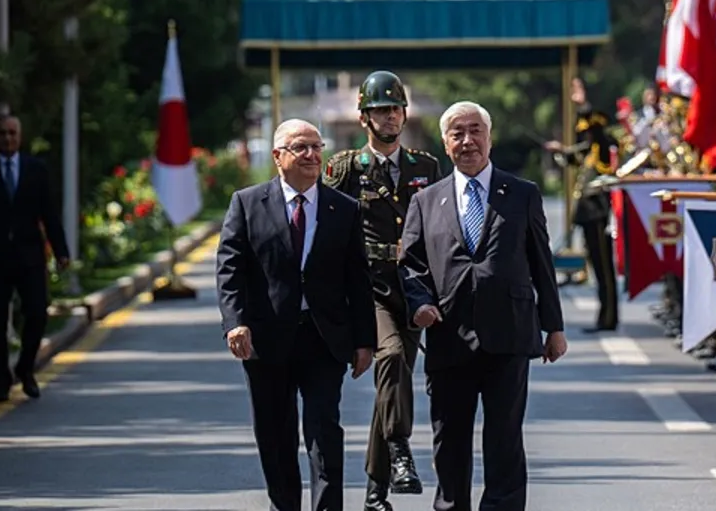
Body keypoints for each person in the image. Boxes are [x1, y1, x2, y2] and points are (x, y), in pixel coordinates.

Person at [400, 101, 567, 511]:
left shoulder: (522, 194)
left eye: (476, 131)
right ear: (445, 142)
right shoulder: (426, 201)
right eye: (458, 133)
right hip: (448, 335)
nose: (468, 140)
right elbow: (409, 265)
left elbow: (541, 262)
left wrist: (554, 327)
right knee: (449, 437)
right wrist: (419, 305)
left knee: (505, 437)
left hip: (508, 332)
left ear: (489, 137)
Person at [216, 118, 376, 511]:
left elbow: (358, 278)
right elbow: (230, 269)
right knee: (275, 433)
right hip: (267, 340)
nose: (311, 155)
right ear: (277, 156)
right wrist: (235, 323)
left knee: (324, 428)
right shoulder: (248, 203)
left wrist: (364, 341)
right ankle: (284, 504)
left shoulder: (344, 208)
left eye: (316, 147)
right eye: (300, 148)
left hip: (324, 339)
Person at [323, 70, 441, 511]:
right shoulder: (346, 168)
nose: (390, 117)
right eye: (380, 110)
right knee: (390, 359)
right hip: (369, 289)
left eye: (395, 109)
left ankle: (375, 494)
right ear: (364, 118)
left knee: (391, 387)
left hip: (413, 288)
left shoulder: (426, 167)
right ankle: (400, 449)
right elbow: (329, 228)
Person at [0, 115, 70, 402]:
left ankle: (26, 367)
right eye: (1, 133)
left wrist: (61, 251)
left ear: (20, 137)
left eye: (12, 133)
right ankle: (0, 380)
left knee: (37, 311)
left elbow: (49, 212)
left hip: (29, 255)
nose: (7, 138)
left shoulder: (36, 170)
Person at [545, 77, 618, 332]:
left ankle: (608, 318)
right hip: (588, 216)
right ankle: (604, 316)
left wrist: (584, 104)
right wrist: (559, 149)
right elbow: (574, 155)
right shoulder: (590, 154)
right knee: (597, 267)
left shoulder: (604, 147)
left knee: (604, 269)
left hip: (598, 214)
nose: (585, 133)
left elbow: (596, 136)